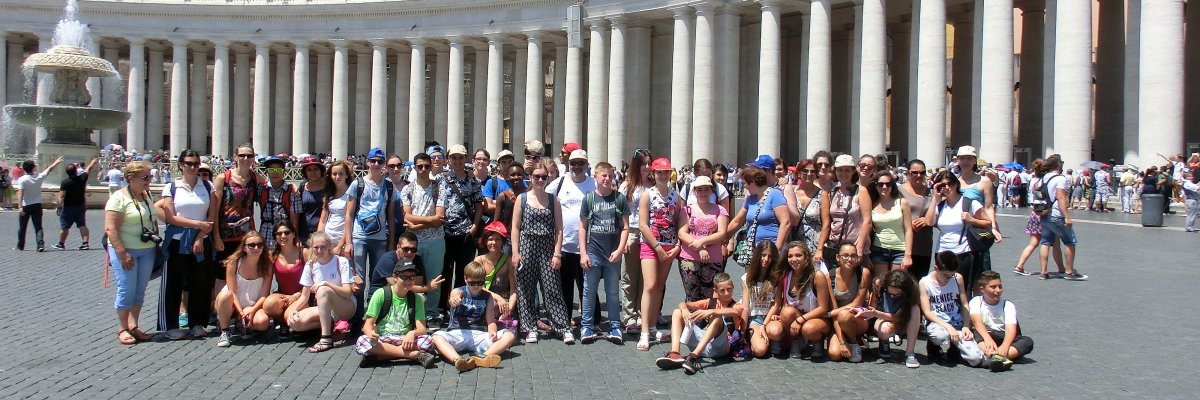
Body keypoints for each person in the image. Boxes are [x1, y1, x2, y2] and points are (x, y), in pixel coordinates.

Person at [156, 150, 221, 340]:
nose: (192, 167)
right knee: (173, 283)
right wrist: (197, 225)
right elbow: (171, 217)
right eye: (188, 163)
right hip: (177, 242)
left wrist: (200, 236)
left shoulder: (208, 187)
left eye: (195, 163)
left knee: (200, 282)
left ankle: (197, 323)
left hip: (201, 241)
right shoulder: (171, 188)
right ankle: (170, 325)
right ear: (181, 165)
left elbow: (212, 216)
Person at [511, 163, 573, 344]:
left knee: (552, 288)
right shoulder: (522, 199)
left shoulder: (554, 200)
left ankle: (561, 326)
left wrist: (557, 253)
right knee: (525, 289)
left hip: (547, 247)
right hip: (527, 246)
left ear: (548, 178)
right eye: (536, 176)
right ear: (530, 177)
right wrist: (515, 252)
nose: (540, 180)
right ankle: (529, 327)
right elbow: (515, 228)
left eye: (543, 177)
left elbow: (559, 229)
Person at [104, 161, 158, 345]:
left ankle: (134, 324)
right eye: (145, 177)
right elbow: (110, 229)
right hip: (125, 250)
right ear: (130, 178)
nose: (149, 180)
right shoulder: (118, 198)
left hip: (147, 250)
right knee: (126, 288)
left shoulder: (147, 194)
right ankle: (122, 328)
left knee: (140, 289)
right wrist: (122, 253)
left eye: (150, 177)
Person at [432, 262, 518, 372]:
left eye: (480, 283)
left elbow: (491, 321)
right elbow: (453, 299)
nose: (476, 286)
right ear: (465, 279)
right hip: (457, 333)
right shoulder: (458, 291)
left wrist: (493, 332)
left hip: (479, 334)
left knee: (509, 335)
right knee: (436, 336)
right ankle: (458, 360)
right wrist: (455, 300)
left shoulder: (488, 297)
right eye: (472, 283)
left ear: (484, 281)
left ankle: (481, 357)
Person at [578, 162, 630, 344]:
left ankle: (615, 326)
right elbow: (583, 227)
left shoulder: (620, 199)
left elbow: (625, 227)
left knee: (613, 292)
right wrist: (583, 253)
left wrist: (620, 249)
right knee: (589, 290)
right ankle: (587, 326)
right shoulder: (589, 199)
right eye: (603, 176)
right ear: (596, 178)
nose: (607, 179)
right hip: (593, 251)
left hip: (612, 253)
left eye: (610, 175)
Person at [636, 157, 684, 350]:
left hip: (669, 245)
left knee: (659, 286)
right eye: (659, 173)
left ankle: (654, 325)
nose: (663, 176)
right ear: (653, 174)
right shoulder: (648, 195)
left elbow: (681, 220)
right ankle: (645, 332)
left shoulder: (676, 196)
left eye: (666, 172)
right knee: (649, 286)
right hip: (651, 244)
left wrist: (678, 244)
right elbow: (642, 224)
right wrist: (656, 246)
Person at [654, 273, 745, 375]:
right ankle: (675, 353)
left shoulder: (737, 305)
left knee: (716, 318)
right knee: (677, 312)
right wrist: (685, 310)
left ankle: (693, 357)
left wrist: (711, 312)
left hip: (721, 347)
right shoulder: (710, 302)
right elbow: (682, 304)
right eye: (722, 291)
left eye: (729, 289)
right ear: (715, 291)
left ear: (733, 287)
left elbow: (736, 312)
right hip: (703, 343)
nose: (726, 293)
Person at [356, 261, 438, 369]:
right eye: (404, 277)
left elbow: (422, 329)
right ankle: (414, 355)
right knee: (362, 341)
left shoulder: (417, 298)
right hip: (383, 338)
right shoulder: (381, 294)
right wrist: (370, 333)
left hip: (405, 340)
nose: (408, 281)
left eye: (412, 278)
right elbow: (367, 325)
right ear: (395, 277)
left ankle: (380, 357)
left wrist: (412, 333)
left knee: (428, 341)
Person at [287, 232, 358, 353]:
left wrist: (325, 283)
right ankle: (331, 326)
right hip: (325, 307)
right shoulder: (310, 265)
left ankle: (326, 339)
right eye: (316, 247)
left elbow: (347, 293)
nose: (319, 250)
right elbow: (305, 296)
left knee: (323, 290)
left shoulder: (341, 262)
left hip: (345, 305)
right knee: (295, 323)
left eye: (323, 247)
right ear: (311, 247)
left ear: (329, 246)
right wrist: (295, 310)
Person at [547, 149, 597, 322]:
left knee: (589, 285)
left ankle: (591, 318)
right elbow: (542, 198)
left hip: (589, 245)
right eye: (574, 163)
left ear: (586, 165)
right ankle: (564, 318)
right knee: (565, 286)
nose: (577, 166)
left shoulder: (594, 184)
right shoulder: (559, 182)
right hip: (564, 244)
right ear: (569, 164)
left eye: (581, 163)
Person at [346, 147, 399, 306]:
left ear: (384, 164)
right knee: (358, 278)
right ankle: (357, 313)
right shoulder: (357, 184)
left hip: (380, 238)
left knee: (378, 277)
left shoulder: (390, 187)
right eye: (373, 161)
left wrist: (391, 242)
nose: (376, 164)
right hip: (359, 237)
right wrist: (348, 242)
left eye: (380, 161)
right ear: (367, 162)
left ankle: (372, 311)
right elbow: (348, 214)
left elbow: (390, 217)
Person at [400, 152, 448, 322]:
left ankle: (432, 314)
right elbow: (406, 216)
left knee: (435, 280)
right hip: (413, 243)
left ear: (431, 167)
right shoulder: (407, 189)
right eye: (420, 166)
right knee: (409, 279)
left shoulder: (440, 188)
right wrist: (430, 219)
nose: (423, 169)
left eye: (427, 166)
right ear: (414, 167)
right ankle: (414, 314)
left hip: (435, 241)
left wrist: (417, 224)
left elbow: (440, 218)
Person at [764, 242, 831, 359]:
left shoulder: (817, 276)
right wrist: (777, 316)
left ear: (806, 257)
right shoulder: (785, 275)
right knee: (786, 312)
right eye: (790, 256)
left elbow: (823, 308)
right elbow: (781, 303)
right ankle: (794, 341)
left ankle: (817, 341)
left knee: (809, 328)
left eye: (798, 255)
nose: (793, 259)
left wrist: (800, 320)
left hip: (817, 319)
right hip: (795, 317)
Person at [440, 144, 485, 320]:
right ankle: (442, 306)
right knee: (444, 271)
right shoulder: (441, 179)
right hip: (444, 232)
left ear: (465, 159)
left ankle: (458, 307)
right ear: (449, 159)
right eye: (454, 158)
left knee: (462, 272)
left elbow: (478, 206)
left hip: (465, 232)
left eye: (460, 158)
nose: (457, 161)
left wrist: (474, 226)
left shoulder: (473, 182)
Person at [919, 251, 984, 366]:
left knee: (976, 359)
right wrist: (949, 327)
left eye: (951, 275)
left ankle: (955, 348)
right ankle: (934, 346)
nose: (948, 279)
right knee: (940, 335)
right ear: (936, 268)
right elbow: (927, 312)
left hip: (957, 322)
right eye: (944, 275)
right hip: (937, 323)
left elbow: (964, 303)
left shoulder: (957, 278)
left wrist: (966, 325)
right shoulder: (925, 282)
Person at [725, 165, 793, 269]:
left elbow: (786, 223)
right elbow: (737, 222)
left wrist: (777, 249)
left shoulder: (775, 195)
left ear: (752, 182)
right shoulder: (750, 199)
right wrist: (723, 237)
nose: (744, 186)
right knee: (752, 282)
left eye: (744, 183)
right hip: (754, 249)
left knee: (771, 282)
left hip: (771, 248)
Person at [214, 232, 274, 347]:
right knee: (225, 295)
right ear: (245, 247)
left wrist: (252, 310)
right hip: (231, 302)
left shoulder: (267, 264)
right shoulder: (234, 262)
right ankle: (225, 330)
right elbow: (232, 292)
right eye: (251, 245)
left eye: (260, 245)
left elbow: (264, 295)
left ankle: (242, 324)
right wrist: (241, 312)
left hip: (252, 304)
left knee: (263, 323)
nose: (256, 248)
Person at [969, 271, 1035, 371]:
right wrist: (988, 339)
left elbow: (1011, 330)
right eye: (993, 287)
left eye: (1000, 286)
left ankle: (994, 358)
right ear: (982, 289)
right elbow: (977, 322)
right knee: (975, 333)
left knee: (1027, 342)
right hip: (984, 336)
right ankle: (1000, 358)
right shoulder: (976, 301)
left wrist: (1005, 346)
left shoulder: (1008, 305)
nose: (998, 290)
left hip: (1002, 336)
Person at [676, 176, 729, 301]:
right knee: (691, 295)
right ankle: (693, 320)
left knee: (708, 296)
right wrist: (700, 248)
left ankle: (704, 320)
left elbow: (722, 233)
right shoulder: (686, 210)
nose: (703, 193)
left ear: (711, 191)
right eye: (699, 190)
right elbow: (682, 233)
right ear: (694, 191)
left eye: (706, 189)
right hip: (689, 257)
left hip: (713, 257)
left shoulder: (719, 209)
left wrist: (701, 242)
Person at [214, 143, 264, 277]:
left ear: (254, 158)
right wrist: (216, 236)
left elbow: (272, 188)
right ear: (235, 157)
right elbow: (215, 210)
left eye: (249, 155)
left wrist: (293, 188)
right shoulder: (223, 178)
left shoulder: (256, 178)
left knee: (244, 273)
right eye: (242, 155)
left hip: (247, 236)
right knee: (222, 275)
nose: (246, 158)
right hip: (226, 236)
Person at [619, 148, 653, 335]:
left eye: (649, 163)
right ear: (636, 166)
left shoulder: (654, 185)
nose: (647, 167)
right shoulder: (627, 187)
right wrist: (622, 240)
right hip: (631, 231)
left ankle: (643, 314)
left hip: (649, 233)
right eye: (643, 164)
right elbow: (621, 215)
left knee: (646, 278)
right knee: (629, 277)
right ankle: (629, 316)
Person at [1038, 154, 1088, 281]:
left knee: (1045, 242)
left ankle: (1043, 272)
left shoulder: (1044, 177)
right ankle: (1069, 272)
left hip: (1044, 213)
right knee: (1070, 242)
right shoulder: (1060, 178)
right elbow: (1060, 197)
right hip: (1056, 214)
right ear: (1058, 165)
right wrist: (1067, 216)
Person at [1013, 159, 1064, 276]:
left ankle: (1019, 266)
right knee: (1054, 243)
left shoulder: (1034, 182)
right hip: (1046, 214)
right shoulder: (1048, 182)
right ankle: (1061, 268)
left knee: (1032, 243)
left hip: (1035, 214)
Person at [863, 269, 922, 368]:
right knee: (885, 329)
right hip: (882, 318)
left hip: (903, 319)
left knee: (915, 309)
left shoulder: (912, 291)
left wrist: (876, 313)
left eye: (896, 294)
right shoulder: (879, 284)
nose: (892, 296)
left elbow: (899, 316)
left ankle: (910, 353)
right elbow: (872, 307)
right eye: (889, 293)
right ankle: (884, 341)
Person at [821, 155, 871, 266]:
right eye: (840, 170)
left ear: (853, 171)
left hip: (854, 247)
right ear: (835, 171)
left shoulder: (861, 191)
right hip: (835, 247)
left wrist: (859, 247)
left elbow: (867, 221)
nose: (843, 173)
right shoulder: (832, 192)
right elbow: (827, 222)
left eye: (847, 170)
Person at [467, 222, 518, 331]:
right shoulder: (479, 260)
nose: (493, 242)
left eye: (497, 239)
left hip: (505, 301)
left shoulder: (508, 260)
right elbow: (477, 287)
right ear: (485, 241)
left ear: (502, 242)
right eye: (490, 239)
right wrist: (498, 298)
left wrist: (509, 307)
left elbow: (513, 289)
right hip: (485, 298)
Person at [826, 244, 872, 363]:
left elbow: (857, 302)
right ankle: (846, 339)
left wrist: (832, 313)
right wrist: (842, 341)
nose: (849, 259)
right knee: (834, 354)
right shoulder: (830, 276)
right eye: (845, 255)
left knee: (844, 315)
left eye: (853, 256)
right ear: (837, 257)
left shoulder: (863, 273)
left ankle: (854, 343)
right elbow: (833, 309)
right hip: (837, 321)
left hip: (857, 318)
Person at [867, 171, 913, 278]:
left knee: (896, 285)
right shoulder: (872, 204)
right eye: (880, 184)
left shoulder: (902, 202)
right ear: (875, 185)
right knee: (880, 284)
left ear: (892, 185)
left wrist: (908, 255)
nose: (884, 187)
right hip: (879, 250)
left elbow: (909, 230)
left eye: (888, 184)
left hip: (900, 250)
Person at [15, 156, 64, 252]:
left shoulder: (22, 179)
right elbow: (49, 169)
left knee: (22, 227)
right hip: (37, 205)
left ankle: (20, 245)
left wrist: (20, 206)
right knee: (38, 226)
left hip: (26, 205)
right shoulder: (39, 176)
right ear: (33, 168)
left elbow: (20, 193)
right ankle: (40, 244)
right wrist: (56, 162)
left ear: (24, 169)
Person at [264, 222, 305, 333]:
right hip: (283, 295)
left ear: (293, 234)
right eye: (279, 233)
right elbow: (267, 283)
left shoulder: (304, 253)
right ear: (275, 237)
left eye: (287, 233)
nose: (283, 236)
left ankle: (288, 322)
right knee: (268, 305)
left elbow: (312, 281)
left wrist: (296, 296)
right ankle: (282, 321)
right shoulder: (273, 255)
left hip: (302, 295)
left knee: (291, 317)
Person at [898, 160, 934, 278]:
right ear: (908, 173)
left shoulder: (931, 192)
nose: (918, 176)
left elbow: (937, 215)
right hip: (903, 246)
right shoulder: (898, 191)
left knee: (919, 283)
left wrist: (925, 220)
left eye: (922, 173)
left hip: (924, 245)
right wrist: (907, 222)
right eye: (914, 172)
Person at [792, 160, 831, 266]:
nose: (809, 174)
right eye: (805, 171)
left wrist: (820, 248)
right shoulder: (791, 192)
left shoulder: (822, 194)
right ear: (799, 173)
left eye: (813, 172)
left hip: (814, 246)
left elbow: (826, 223)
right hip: (793, 245)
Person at [54, 158, 99, 250]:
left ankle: (61, 243)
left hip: (68, 207)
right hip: (80, 205)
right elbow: (88, 169)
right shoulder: (82, 178)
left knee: (65, 226)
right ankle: (85, 243)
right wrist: (93, 162)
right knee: (82, 225)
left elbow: (61, 196)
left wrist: (59, 206)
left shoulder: (65, 182)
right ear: (76, 171)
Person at [257, 157, 301, 248]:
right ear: (267, 172)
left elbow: (294, 220)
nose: (275, 172)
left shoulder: (292, 192)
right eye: (271, 170)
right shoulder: (260, 189)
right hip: (265, 233)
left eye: (278, 170)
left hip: (284, 234)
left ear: (284, 172)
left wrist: (295, 238)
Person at [317, 161, 354, 258]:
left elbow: (349, 219)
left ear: (346, 175)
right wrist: (319, 240)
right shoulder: (329, 195)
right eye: (334, 174)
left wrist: (340, 245)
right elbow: (322, 221)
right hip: (327, 239)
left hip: (342, 240)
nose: (337, 177)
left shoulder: (351, 194)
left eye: (341, 174)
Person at [298, 156, 327, 244]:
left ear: (321, 171)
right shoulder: (302, 187)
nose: (312, 172)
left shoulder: (328, 187)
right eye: (309, 170)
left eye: (315, 169)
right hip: (304, 231)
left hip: (323, 231)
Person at [492, 163, 526, 232]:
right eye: (512, 175)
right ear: (508, 177)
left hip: (526, 235)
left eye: (519, 174)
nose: (516, 177)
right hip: (508, 236)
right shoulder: (502, 196)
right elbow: (496, 221)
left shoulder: (530, 194)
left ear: (523, 175)